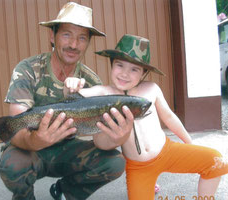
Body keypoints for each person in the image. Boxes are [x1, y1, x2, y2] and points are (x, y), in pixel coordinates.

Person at [64, 34, 228, 200]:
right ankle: (150, 180)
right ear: (111, 64)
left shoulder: (151, 89)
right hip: (138, 167)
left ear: (143, 73)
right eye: (120, 65)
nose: (125, 74)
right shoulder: (103, 93)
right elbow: (74, 99)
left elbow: (170, 118)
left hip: (167, 151)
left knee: (217, 162)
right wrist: (70, 85)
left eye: (134, 69)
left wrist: (190, 144)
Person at [0, 2, 133, 200]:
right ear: (52, 36)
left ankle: (65, 192)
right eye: (67, 34)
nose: (73, 45)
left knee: (115, 162)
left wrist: (118, 137)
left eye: (82, 38)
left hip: (67, 151)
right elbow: (15, 128)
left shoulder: (92, 81)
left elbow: (98, 139)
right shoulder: (28, 69)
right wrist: (38, 139)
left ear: (88, 43)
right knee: (12, 164)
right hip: (30, 149)